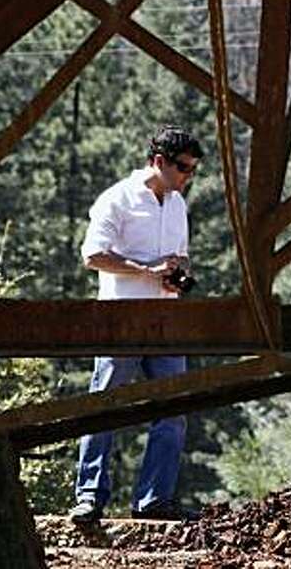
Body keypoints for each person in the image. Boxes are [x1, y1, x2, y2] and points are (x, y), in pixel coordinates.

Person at [68, 125, 203, 524]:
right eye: (183, 167)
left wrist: (177, 273)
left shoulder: (177, 204)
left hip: (165, 318)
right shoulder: (117, 198)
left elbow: (179, 256)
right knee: (104, 406)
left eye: (193, 169)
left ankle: (154, 500)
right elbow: (92, 255)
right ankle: (89, 497)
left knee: (174, 409)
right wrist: (147, 270)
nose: (188, 176)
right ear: (158, 161)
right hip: (121, 318)